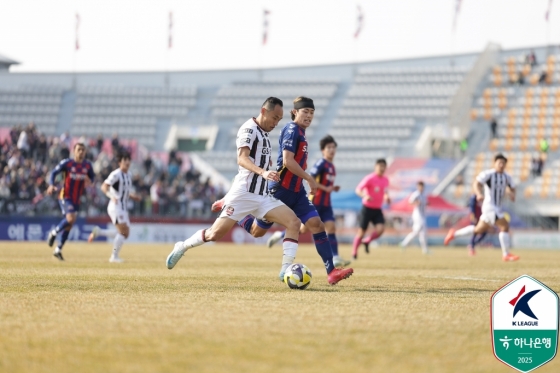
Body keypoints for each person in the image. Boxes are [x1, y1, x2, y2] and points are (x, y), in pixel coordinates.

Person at [211, 97, 353, 284]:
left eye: (312, 113)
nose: (309, 116)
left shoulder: (301, 132)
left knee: (317, 225)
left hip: (297, 193)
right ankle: (233, 206)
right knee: (257, 232)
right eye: (305, 112)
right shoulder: (292, 129)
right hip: (280, 191)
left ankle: (331, 272)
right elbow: (288, 161)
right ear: (295, 113)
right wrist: (309, 178)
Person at [166, 97, 303, 281]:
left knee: (293, 223)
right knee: (214, 234)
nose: (276, 123)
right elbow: (242, 159)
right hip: (244, 194)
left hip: (262, 196)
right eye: (274, 117)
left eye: (279, 119)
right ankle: (182, 246)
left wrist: (268, 169)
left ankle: (285, 270)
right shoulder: (249, 129)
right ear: (263, 111)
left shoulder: (264, 133)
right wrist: (263, 172)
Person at [266, 135, 351, 267]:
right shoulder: (321, 164)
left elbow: (324, 184)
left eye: (333, 147)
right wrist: (325, 188)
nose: (332, 150)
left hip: (327, 204)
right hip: (316, 201)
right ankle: (280, 234)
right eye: (329, 147)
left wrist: (331, 188)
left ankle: (335, 257)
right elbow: (311, 178)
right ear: (323, 150)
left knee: (331, 227)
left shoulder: (332, 167)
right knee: (304, 229)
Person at [443, 154, 519, 262]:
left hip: (497, 207)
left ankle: (453, 234)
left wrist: (512, 194)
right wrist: (478, 194)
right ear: (495, 163)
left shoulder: (507, 177)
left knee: (477, 230)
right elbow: (477, 183)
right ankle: (506, 254)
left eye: (503, 163)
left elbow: (513, 187)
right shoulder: (489, 174)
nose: (501, 165)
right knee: (505, 226)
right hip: (489, 207)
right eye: (499, 163)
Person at [88, 151, 142, 262]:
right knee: (123, 232)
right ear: (119, 162)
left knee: (124, 234)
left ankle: (99, 232)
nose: (127, 162)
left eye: (128, 160)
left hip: (123, 208)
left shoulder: (129, 175)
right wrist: (110, 196)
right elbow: (104, 186)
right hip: (115, 206)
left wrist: (133, 197)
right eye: (124, 160)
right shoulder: (116, 174)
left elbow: (124, 192)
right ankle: (114, 257)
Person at [46, 143, 95, 260]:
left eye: (83, 150)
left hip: (76, 199)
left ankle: (58, 250)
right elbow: (53, 173)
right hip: (65, 196)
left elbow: (92, 177)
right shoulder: (67, 163)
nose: (81, 152)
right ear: (74, 151)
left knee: (70, 224)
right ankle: (54, 232)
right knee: (70, 219)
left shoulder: (87, 166)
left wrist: (90, 180)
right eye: (79, 150)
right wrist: (51, 185)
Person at [353, 159, 390, 259]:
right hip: (367, 208)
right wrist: (365, 196)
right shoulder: (369, 178)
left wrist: (387, 197)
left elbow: (385, 191)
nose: (382, 168)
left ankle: (367, 241)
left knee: (380, 229)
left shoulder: (386, 180)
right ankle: (354, 253)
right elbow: (358, 190)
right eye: (380, 166)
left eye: (384, 166)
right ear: (376, 167)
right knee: (361, 232)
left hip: (377, 209)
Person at [399, 181, 429, 254]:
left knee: (422, 233)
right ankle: (404, 243)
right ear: (418, 187)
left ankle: (424, 249)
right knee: (419, 231)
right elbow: (410, 202)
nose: (421, 188)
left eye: (422, 186)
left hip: (422, 214)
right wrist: (416, 203)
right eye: (420, 186)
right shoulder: (416, 194)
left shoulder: (424, 195)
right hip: (417, 215)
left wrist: (427, 203)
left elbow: (426, 203)